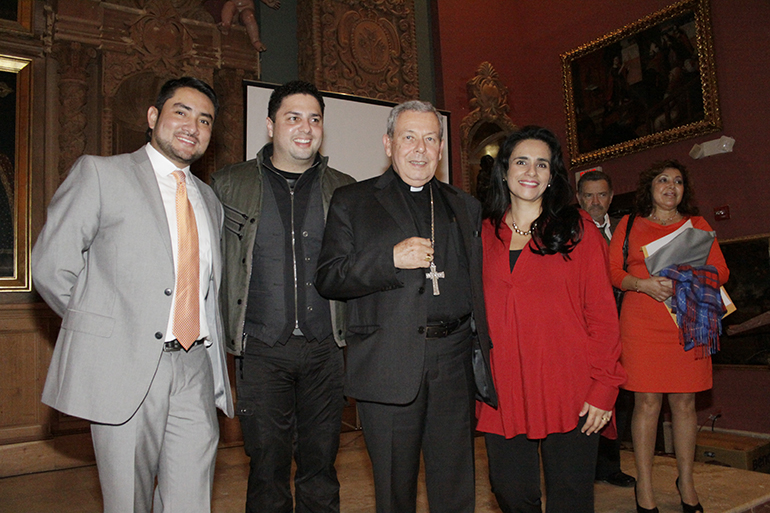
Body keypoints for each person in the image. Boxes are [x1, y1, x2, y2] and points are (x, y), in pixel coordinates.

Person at [31, 77, 233, 513]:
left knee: (191, 503)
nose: (192, 126)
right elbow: (51, 265)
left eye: (205, 120)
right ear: (153, 117)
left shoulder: (210, 201)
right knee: (128, 502)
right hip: (124, 368)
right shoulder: (101, 173)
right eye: (181, 112)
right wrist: (108, 333)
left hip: (196, 367)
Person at [315, 100, 496, 513]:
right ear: (388, 143)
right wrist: (388, 260)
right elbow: (329, 277)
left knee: (455, 484)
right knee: (395, 490)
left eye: (430, 139)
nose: (420, 149)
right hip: (389, 361)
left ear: (440, 147)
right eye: (409, 137)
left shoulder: (463, 205)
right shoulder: (352, 200)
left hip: (453, 361)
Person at [211, 80, 354, 513]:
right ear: (271, 124)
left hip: (326, 351)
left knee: (321, 464)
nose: (305, 127)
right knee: (267, 466)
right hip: (260, 350)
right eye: (293, 117)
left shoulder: (344, 189)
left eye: (314, 118)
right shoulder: (227, 184)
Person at [477, 126, 625, 513]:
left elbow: (604, 317)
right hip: (504, 388)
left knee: (571, 499)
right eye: (522, 161)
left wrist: (604, 388)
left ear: (552, 174)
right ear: (504, 170)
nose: (531, 171)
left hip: (571, 387)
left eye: (542, 164)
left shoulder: (581, 232)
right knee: (509, 491)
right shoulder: (481, 235)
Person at [609, 160, 729, 513]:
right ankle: (644, 486)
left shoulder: (698, 226)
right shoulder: (630, 224)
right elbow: (612, 272)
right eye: (663, 179)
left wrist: (688, 276)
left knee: (685, 404)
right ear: (650, 186)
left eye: (678, 182)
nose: (671, 187)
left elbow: (721, 270)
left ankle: (686, 482)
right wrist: (642, 284)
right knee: (647, 404)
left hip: (688, 320)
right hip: (643, 323)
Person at [577, 170, 636, 488]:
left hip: (630, 325)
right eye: (588, 195)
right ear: (579, 198)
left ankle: (612, 465)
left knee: (622, 398)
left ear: (611, 197)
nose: (595, 202)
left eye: (601, 195)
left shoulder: (628, 232)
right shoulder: (572, 233)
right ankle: (587, 465)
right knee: (592, 396)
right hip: (590, 330)